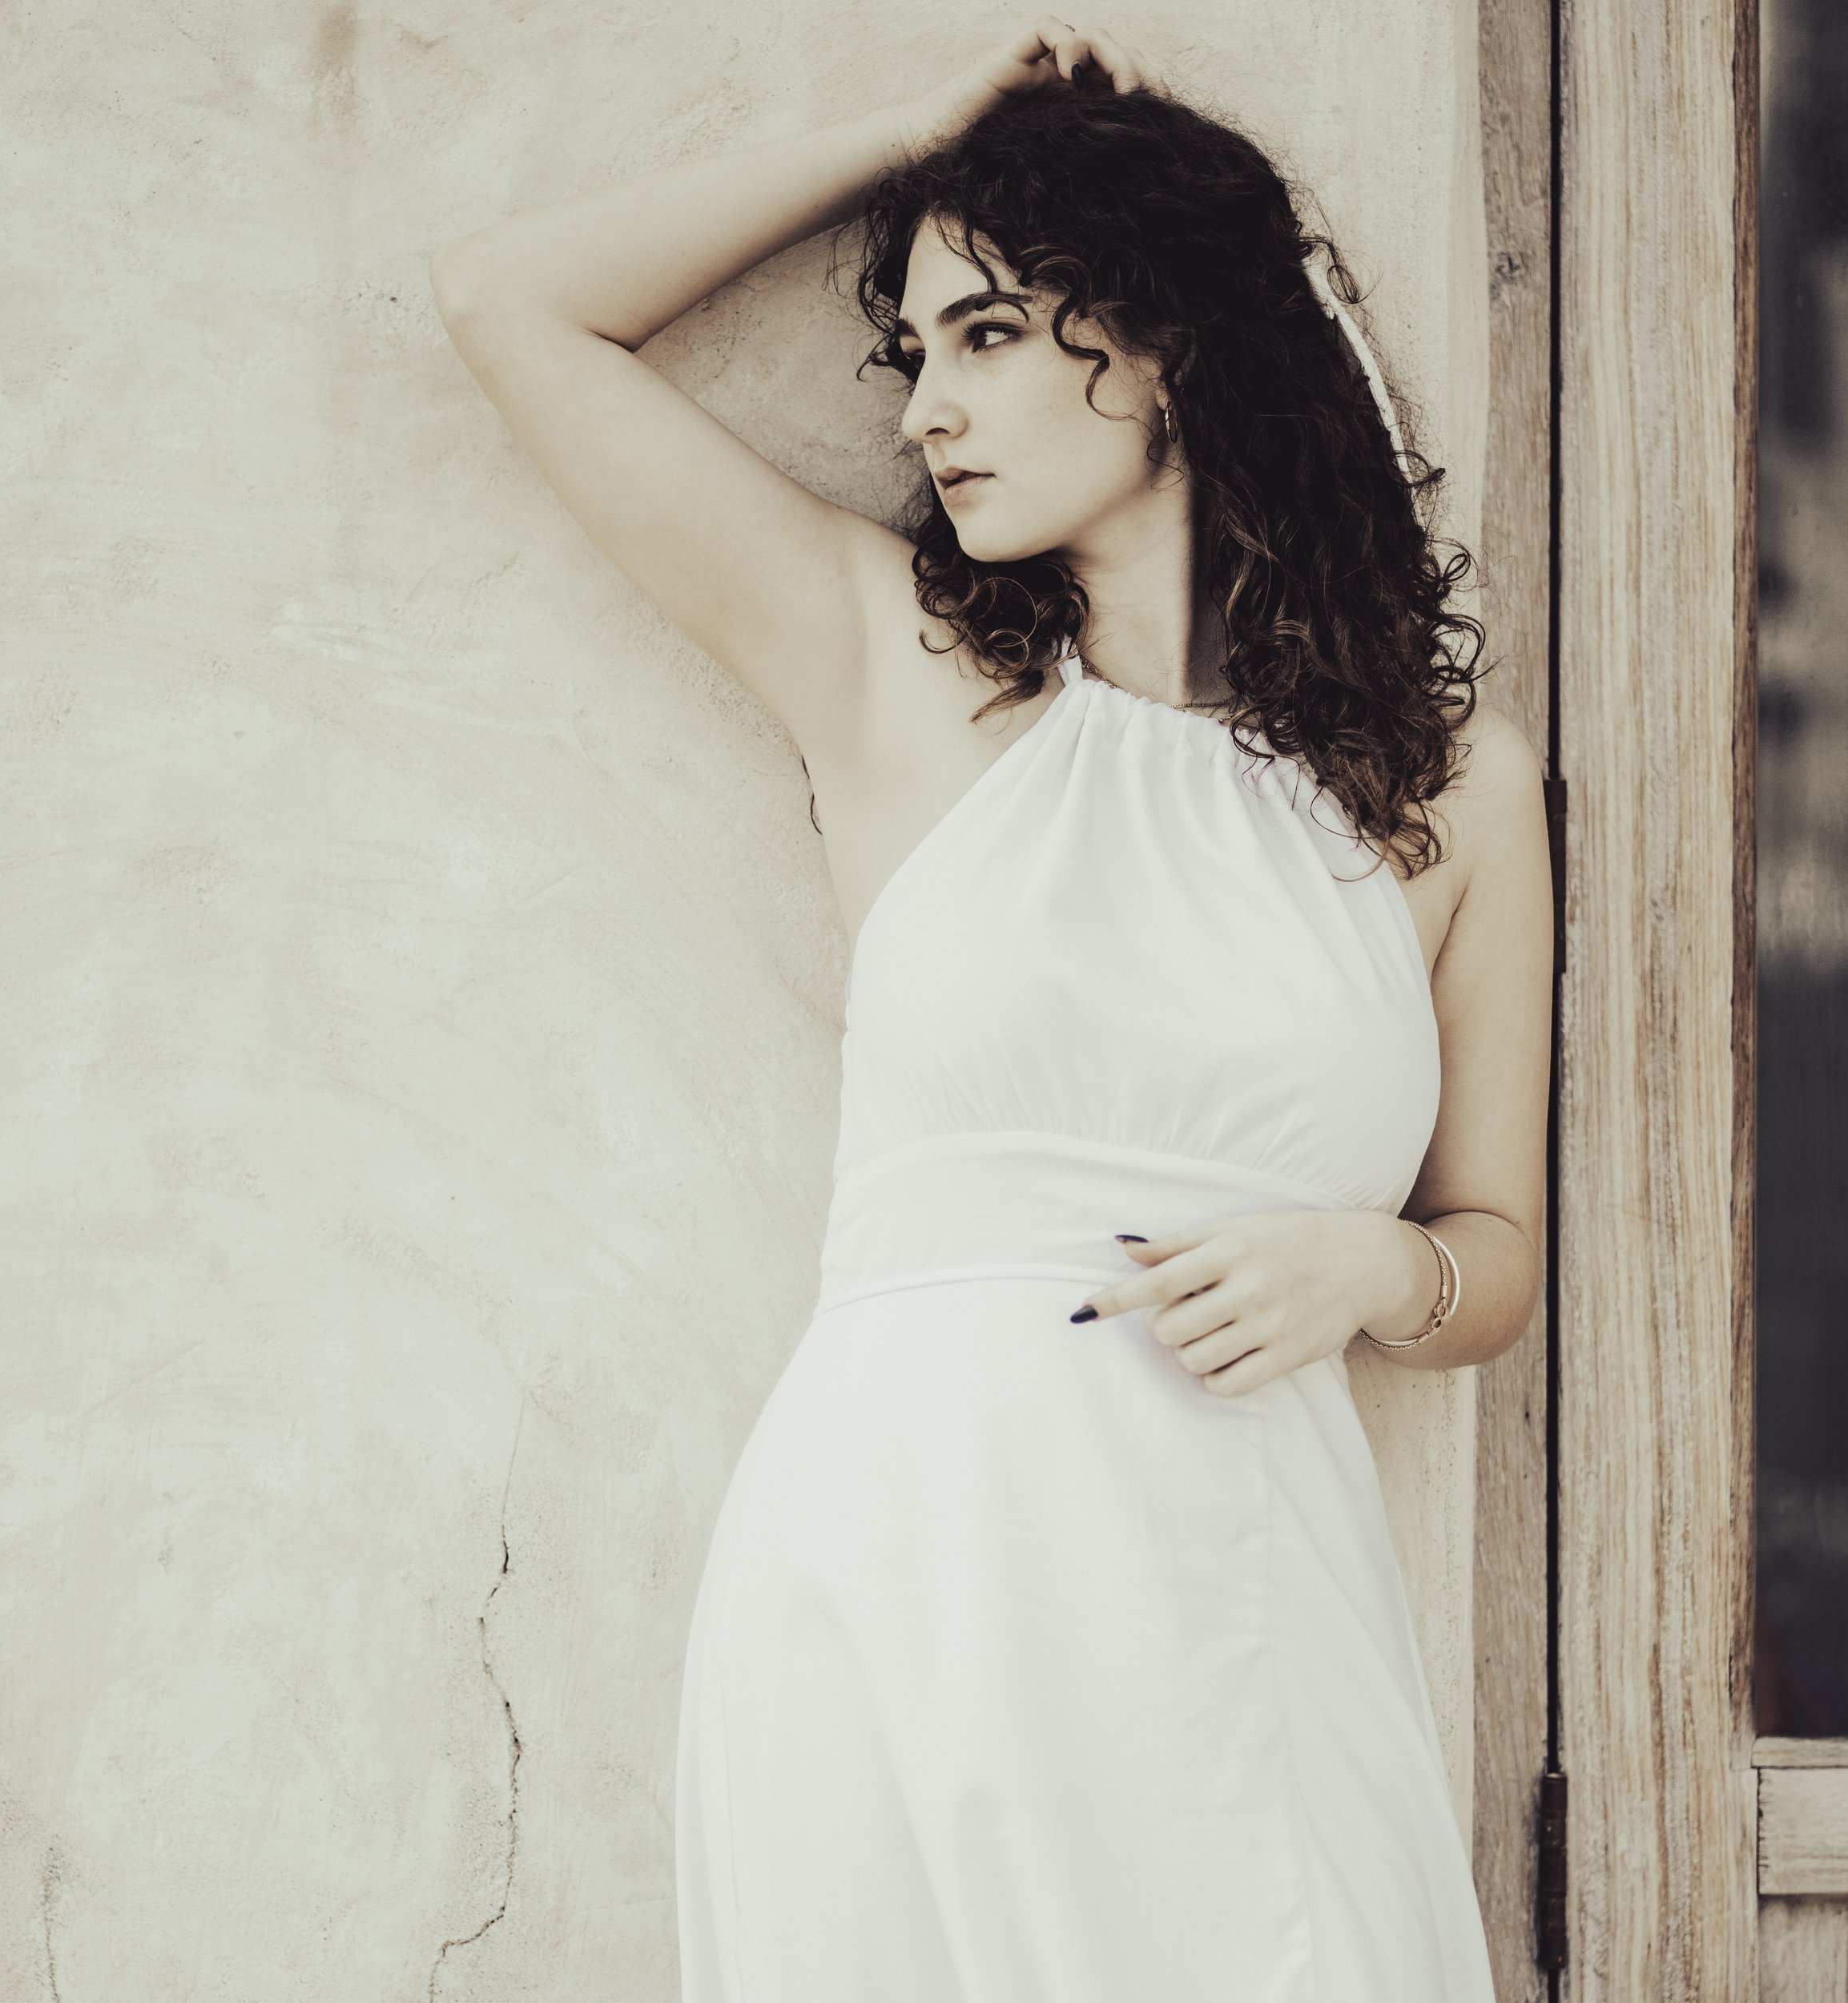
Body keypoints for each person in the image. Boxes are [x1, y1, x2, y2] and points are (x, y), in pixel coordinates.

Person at [429, 16, 1548, 1998]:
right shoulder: (891, 665)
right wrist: (912, 138)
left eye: (991, 333)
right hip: (905, 1569)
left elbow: (1494, 1252)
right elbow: (508, 301)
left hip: (1245, 1612)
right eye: (914, 345)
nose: (929, 406)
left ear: (1169, 342)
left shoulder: (1445, 791)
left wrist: (1374, 1274)